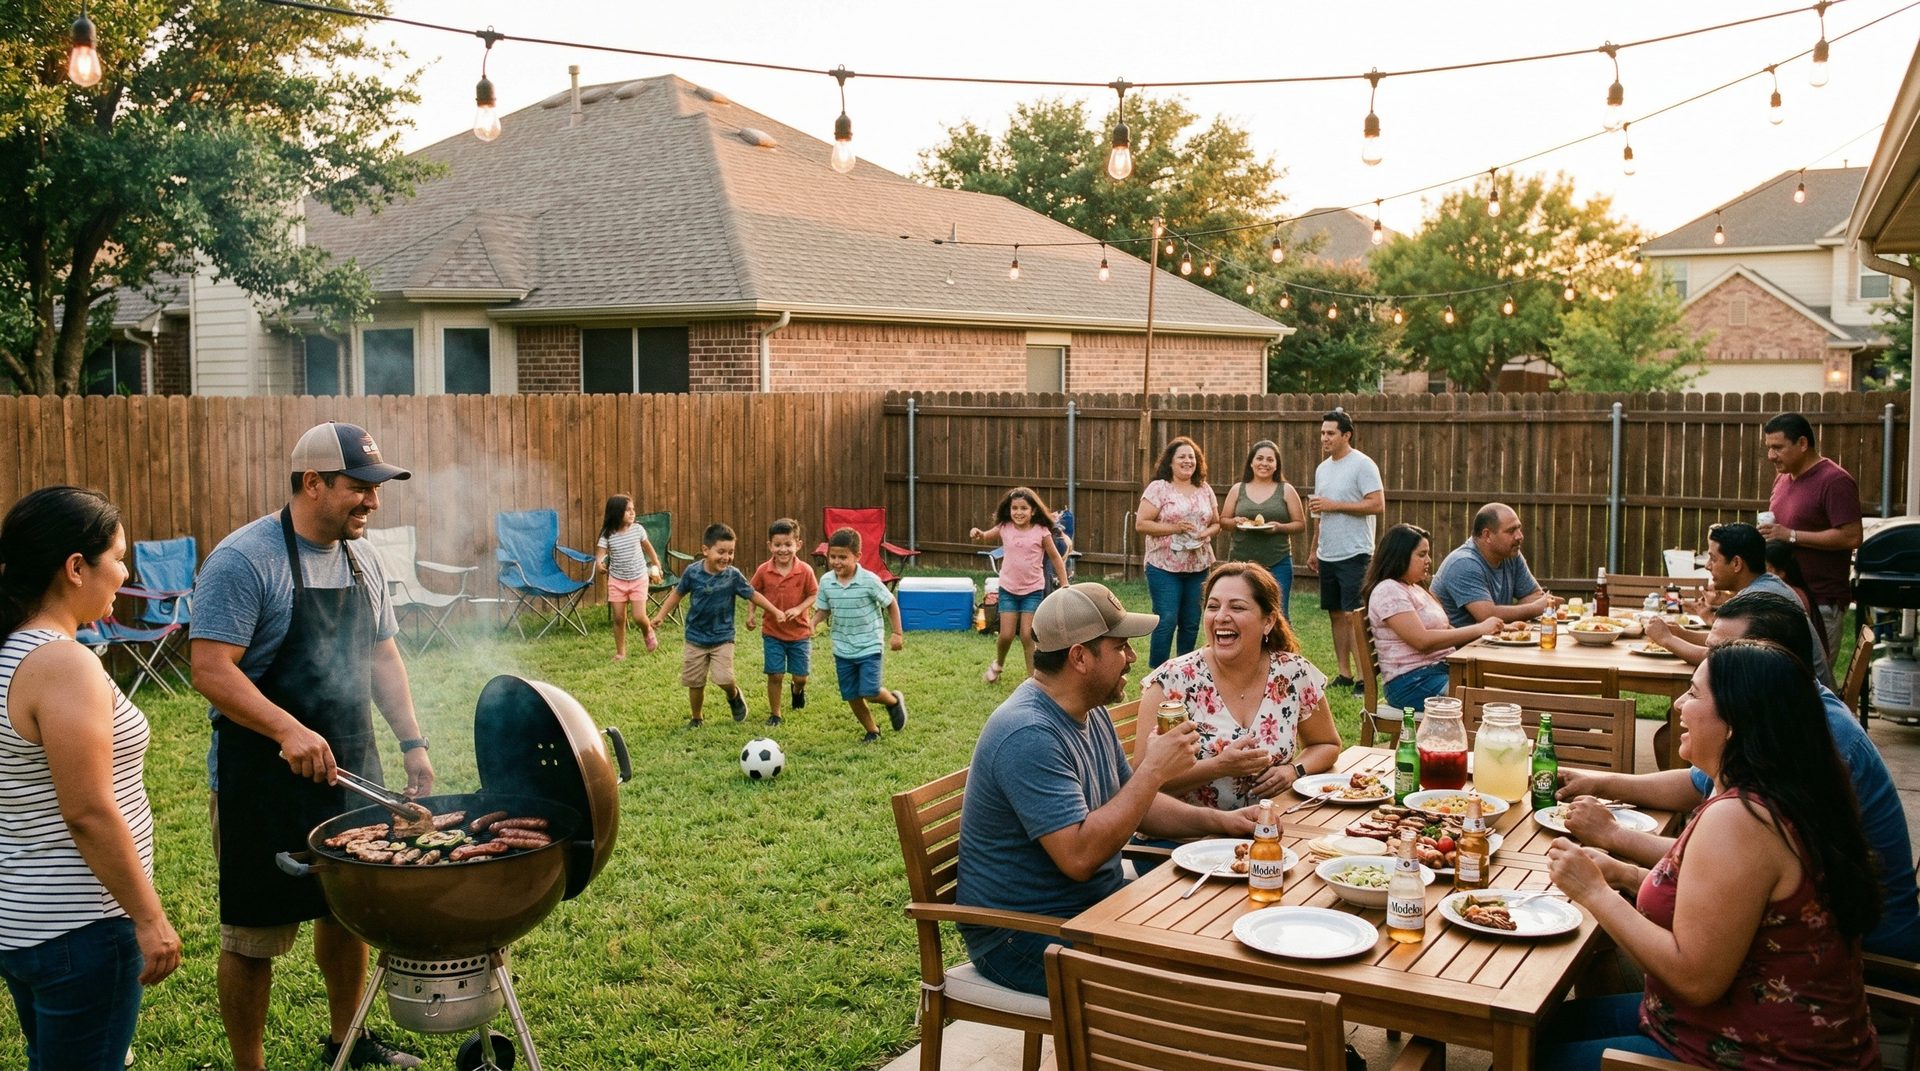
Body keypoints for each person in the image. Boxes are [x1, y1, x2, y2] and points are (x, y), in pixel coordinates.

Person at [189, 421, 432, 1070]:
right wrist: (286, 729)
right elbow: (211, 667)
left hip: (350, 762)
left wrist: (412, 740)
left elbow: (383, 654)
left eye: (376, 490)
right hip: (259, 776)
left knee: (347, 910)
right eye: (360, 488)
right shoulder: (245, 559)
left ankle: (346, 1041)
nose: (373, 503)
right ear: (312, 483)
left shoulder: (365, 558)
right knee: (254, 933)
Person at [1542, 639, 1880, 1069]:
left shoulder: (1741, 820)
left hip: (1758, 1056)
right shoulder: (1787, 788)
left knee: (1520, 1053)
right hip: (1732, 1030)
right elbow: (1722, 907)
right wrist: (1625, 873)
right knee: (1537, 1025)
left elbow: (1695, 978)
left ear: (1737, 721)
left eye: (1695, 693)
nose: (1680, 704)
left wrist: (1594, 892)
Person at [1556, 593, 1920, 961]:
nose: (1711, 663)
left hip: (1866, 949)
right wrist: (1597, 786)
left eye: (1725, 652)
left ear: (1760, 664)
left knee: (1581, 969)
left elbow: (1697, 970)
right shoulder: (1781, 723)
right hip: (1791, 944)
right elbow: (1709, 828)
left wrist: (1611, 852)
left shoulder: (1799, 753)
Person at [955, 582, 1259, 995]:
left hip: (1092, 909)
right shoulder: (1028, 733)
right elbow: (1079, 858)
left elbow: (1135, 804)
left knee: (1219, 935)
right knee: (1189, 986)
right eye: (1120, 647)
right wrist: (1153, 770)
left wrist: (1225, 823)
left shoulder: (1087, 710)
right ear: (1080, 657)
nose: (1132, 657)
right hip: (1022, 936)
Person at [0, 487, 180, 1071]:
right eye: (119, 556)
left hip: (26, 920)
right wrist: (149, 918)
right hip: (82, 927)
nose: (125, 572)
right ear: (77, 568)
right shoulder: (62, 663)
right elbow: (88, 810)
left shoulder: (10, 651)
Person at [1138, 562, 1342, 810]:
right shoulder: (1173, 681)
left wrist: (1293, 770)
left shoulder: (1292, 673)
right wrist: (1219, 766)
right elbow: (1140, 783)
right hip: (1187, 840)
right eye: (1213, 606)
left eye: (1237, 607)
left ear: (1268, 622)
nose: (1221, 616)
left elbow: (1327, 744)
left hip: (1269, 830)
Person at [1645, 522, 1835, 690]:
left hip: (1804, 706)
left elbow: (1715, 659)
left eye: (1713, 558)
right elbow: (1727, 642)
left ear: (1736, 563)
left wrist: (1666, 639)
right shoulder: (1767, 586)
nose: (1708, 566)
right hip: (1796, 693)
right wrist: (1680, 633)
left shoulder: (1759, 600)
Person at [650, 523, 789, 728]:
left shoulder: (732, 576)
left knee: (723, 678)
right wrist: (661, 615)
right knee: (695, 682)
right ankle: (697, 718)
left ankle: (733, 695)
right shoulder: (692, 572)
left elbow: (753, 594)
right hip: (695, 637)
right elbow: (677, 593)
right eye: (721, 551)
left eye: (731, 552)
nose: (726, 557)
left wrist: (774, 611)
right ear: (706, 550)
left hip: (723, 637)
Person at [1362, 524, 1501, 710]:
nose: (1428, 560)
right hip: (1411, 683)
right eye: (1421, 554)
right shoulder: (1389, 590)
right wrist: (1480, 628)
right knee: (1485, 698)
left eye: (1427, 554)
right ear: (1399, 556)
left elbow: (1446, 631)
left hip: (1439, 671)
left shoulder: (1415, 588)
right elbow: (1422, 640)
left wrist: (1500, 630)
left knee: (1499, 684)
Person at [1757, 411, 1863, 655]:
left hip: (1819, 601)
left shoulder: (1834, 480)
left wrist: (1790, 535)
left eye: (1778, 448)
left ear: (1802, 443)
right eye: (1769, 448)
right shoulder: (1783, 478)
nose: (1771, 456)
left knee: (1810, 682)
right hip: (1783, 596)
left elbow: (1852, 536)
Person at [1307, 411, 1384, 693]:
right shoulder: (1322, 468)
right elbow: (1319, 512)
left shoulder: (1363, 465)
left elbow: (1377, 504)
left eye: (1330, 433)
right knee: (1336, 614)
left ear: (1346, 435)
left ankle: (1366, 678)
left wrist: (1334, 505)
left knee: (1354, 616)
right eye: (1323, 433)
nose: (1324, 438)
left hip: (1355, 552)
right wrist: (1315, 548)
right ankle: (1344, 673)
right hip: (1329, 552)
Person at [812, 527, 908, 743]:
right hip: (842, 647)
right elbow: (824, 608)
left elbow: (891, 603)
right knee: (852, 695)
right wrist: (813, 622)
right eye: (832, 557)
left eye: (843, 557)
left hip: (869, 645)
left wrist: (897, 633)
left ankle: (892, 701)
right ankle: (872, 730)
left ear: (857, 556)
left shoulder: (869, 580)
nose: (836, 562)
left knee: (870, 690)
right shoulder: (827, 581)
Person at [969, 486, 1071, 682]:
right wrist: (977, 533)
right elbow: (985, 535)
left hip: (1032, 590)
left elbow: (1056, 558)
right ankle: (998, 665)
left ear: (1033, 510)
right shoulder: (1005, 527)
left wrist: (1065, 584)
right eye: (1014, 508)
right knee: (1006, 635)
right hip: (1008, 589)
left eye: (1024, 508)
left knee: (1026, 635)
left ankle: (1032, 678)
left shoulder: (1041, 532)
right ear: (1009, 510)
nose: (1018, 512)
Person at [1134, 436, 1220, 667]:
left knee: (1191, 621)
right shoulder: (1159, 488)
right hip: (1164, 566)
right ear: (1170, 462)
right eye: (1181, 456)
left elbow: (1216, 523)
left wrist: (1206, 533)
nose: (1187, 461)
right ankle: (1158, 674)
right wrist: (1175, 528)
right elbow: (1141, 524)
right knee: (1167, 619)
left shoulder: (1204, 488)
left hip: (1198, 564)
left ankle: (1184, 671)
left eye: (1191, 457)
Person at [1431, 502, 1557, 628]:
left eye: (1519, 528)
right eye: (1511, 531)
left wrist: (1512, 618)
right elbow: (1487, 616)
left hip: (1491, 642)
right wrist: (1535, 609)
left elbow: (1534, 595)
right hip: (1461, 647)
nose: (1520, 536)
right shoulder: (1463, 563)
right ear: (1487, 535)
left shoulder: (1511, 554)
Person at [1219, 440, 1306, 619]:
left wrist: (1279, 528)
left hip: (1278, 561)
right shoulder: (1238, 489)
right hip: (1241, 564)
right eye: (1259, 458)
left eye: (1270, 460)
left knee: (1279, 614)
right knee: (1241, 612)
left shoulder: (1286, 490)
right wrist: (1235, 522)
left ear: (1276, 465)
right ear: (1251, 462)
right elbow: (1223, 521)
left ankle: (1280, 648)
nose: (1264, 463)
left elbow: (1300, 524)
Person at [744, 518, 816, 726]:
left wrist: (799, 609)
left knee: (801, 676)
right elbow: (752, 592)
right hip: (773, 633)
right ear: (770, 545)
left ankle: (797, 690)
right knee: (775, 674)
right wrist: (751, 614)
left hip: (799, 633)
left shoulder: (805, 570)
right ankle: (775, 714)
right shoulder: (764, 570)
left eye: (788, 545)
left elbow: (813, 595)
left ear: (798, 545)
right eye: (778, 545)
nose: (783, 550)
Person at [593, 493, 661, 661]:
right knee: (618, 617)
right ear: (616, 513)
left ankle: (647, 631)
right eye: (627, 510)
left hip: (638, 578)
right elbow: (600, 555)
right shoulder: (608, 535)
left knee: (639, 617)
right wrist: (600, 564)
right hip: (617, 581)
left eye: (633, 509)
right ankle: (621, 652)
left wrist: (656, 563)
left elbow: (648, 548)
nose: (632, 513)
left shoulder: (638, 529)